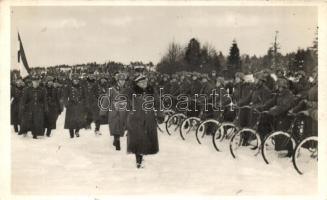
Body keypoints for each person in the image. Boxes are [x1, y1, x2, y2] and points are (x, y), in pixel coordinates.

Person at [124, 74, 164, 168]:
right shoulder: (131, 92)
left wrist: (160, 115)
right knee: (138, 139)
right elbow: (124, 102)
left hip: (149, 119)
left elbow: (158, 103)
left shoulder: (151, 91)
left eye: (145, 82)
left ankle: (142, 156)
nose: (144, 84)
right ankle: (139, 160)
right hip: (135, 119)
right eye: (141, 82)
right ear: (137, 83)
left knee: (146, 139)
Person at [100, 72, 128, 150]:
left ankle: (116, 140)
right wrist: (103, 112)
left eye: (123, 80)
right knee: (115, 126)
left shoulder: (127, 89)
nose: (122, 82)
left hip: (123, 112)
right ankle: (117, 142)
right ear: (117, 81)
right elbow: (106, 100)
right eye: (121, 80)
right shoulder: (111, 89)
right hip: (114, 112)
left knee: (121, 127)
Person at [19, 75, 47, 139]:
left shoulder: (42, 90)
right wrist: (23, 106)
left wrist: (45, 107)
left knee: (37, 121)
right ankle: (25, 132)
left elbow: (44, 100)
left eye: (37, 81)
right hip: (29, 108)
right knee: (27, 120)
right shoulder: (27, 90)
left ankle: (35, 134)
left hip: (39, 108)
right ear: (32, 82)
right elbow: (24, 100)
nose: (36, 83)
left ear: (39, 82)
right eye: (34, 81)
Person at [64, 74, 87, 138]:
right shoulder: (68, 87)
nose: (76, 81)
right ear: (72, 80)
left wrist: (83, 103)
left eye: (77, 80)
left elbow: (85, 96)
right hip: (71, 105)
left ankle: (77, 131)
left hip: (79, 105)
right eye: (75, 80)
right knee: (70, 121)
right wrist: (66, 104)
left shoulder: (82, 87)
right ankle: (71, 135)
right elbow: (65, 96)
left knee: (79, 120)